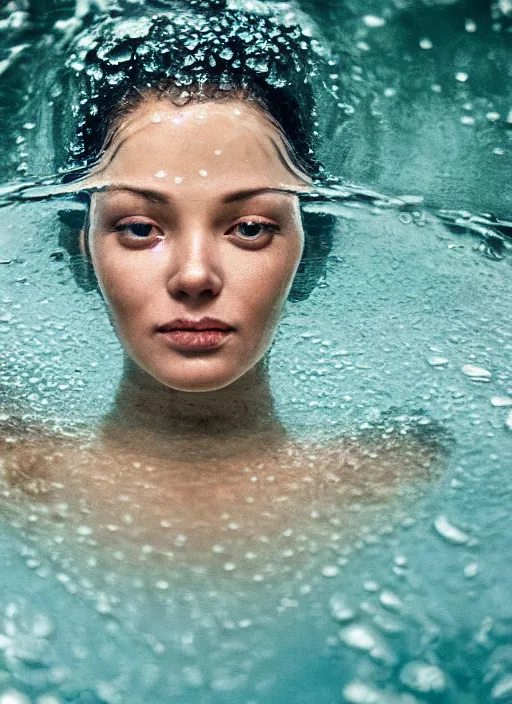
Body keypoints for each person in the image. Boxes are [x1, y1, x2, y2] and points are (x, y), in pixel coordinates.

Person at [0, 1, 444, 574]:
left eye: (250, 229)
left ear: (310, 243)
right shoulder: (12, 474)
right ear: (85, 247)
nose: (194, 276)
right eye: (140, 228)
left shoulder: (398, 481)